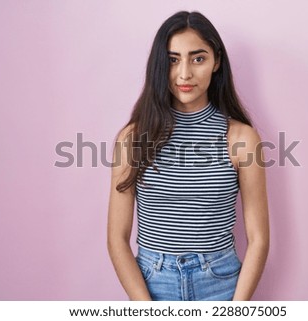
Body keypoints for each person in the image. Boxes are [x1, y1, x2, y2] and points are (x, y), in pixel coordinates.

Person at [107, 11, 269, 301]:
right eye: (172, 60)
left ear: (216, 62)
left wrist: (237, 309)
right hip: (152, 283)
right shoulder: (132, 139)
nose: (184, 74)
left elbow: (258, 237)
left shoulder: (242, 139)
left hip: (221, 283)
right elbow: (117, 239)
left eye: (198, 58)